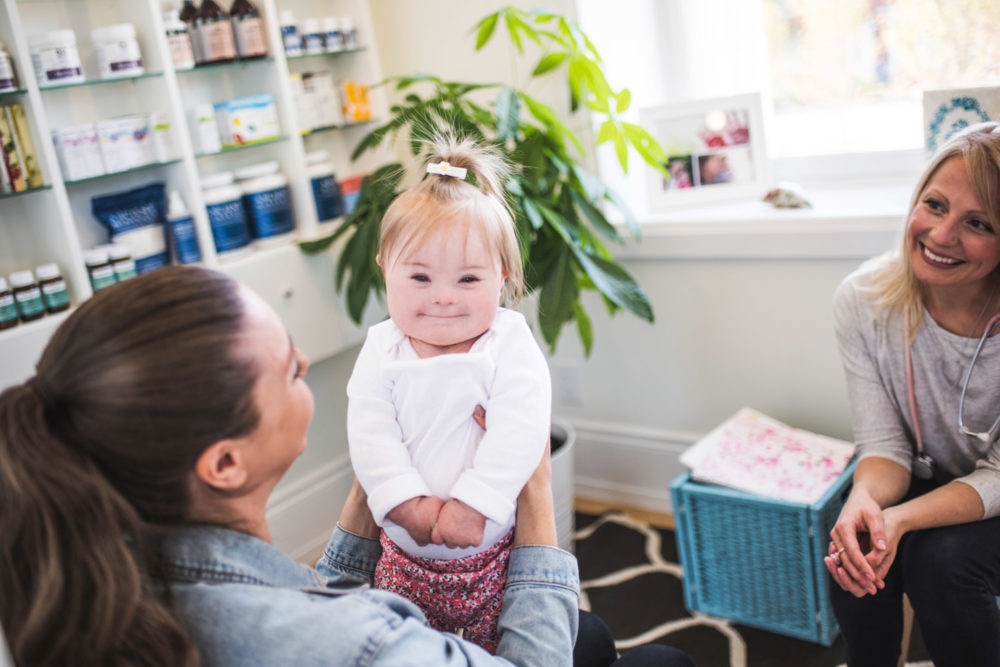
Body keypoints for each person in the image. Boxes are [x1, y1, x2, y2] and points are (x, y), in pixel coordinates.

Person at [0, 265, 695, 667]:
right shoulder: (357, 644)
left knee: (591, 637)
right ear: (225, 463)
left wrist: (379, 480)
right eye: (289, 369)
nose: (307, 364)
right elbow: (336, 631)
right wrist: (533, 484)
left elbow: (311, 601)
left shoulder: (108, 574)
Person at [346, 136, 551, 653]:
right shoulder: (382, 347)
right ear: (384, 266)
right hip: (402, 559)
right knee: (402, 649)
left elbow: (521, 430)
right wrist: (404, 501)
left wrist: (474, 504)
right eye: (419, 276)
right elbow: (370, 433)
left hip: (493, 558)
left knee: (494, 651)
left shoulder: (507, 341)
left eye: (468, 279)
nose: (442, 296)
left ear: (501, 277)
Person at [826, 121, 1000, 667]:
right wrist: (866, 501)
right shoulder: (863, 300)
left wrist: (903, 518)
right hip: (931, 473)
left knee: (940, 562)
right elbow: (884, 446)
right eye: (935, 205)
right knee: (851, 536)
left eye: (978, 223)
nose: (942, 235)